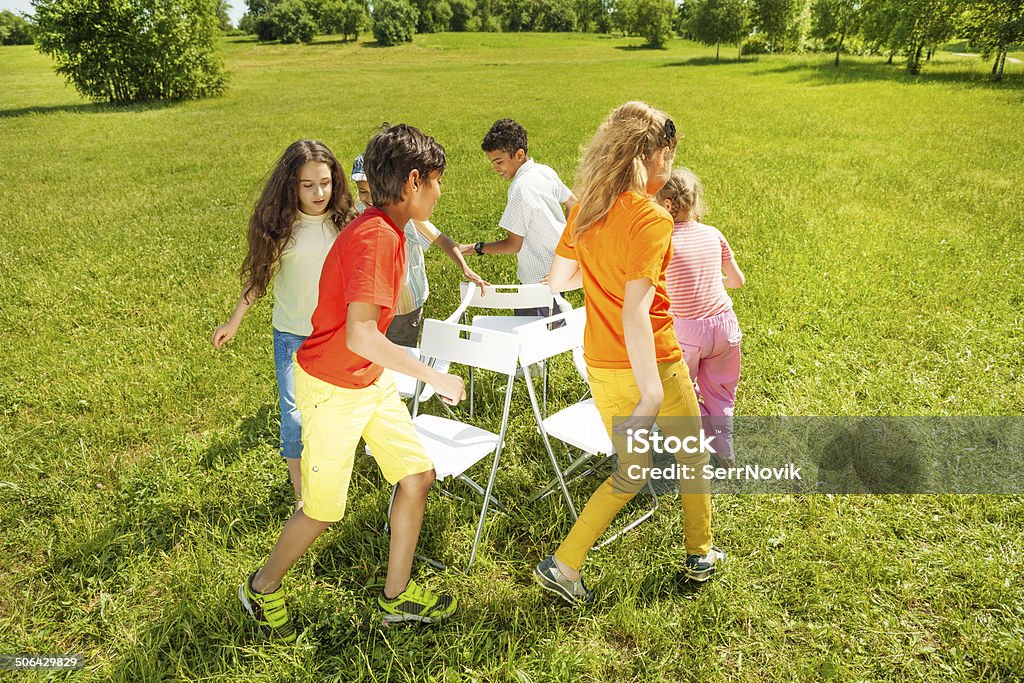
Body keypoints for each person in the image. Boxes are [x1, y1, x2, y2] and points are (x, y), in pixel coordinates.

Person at [238, 125, 466, 641]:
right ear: (413, 181)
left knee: (416, 475)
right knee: (321, 509)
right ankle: (262, 585)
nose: (439, 191)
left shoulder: (384, 228)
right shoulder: (375, 239)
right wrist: (435, 376)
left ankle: (397, 597)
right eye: (436, 181)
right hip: (333, 388)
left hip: (369, 382)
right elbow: (363, 335)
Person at [534, 102, 725, 606]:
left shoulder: (586, 208)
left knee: (630, 472)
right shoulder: (651, 218)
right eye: (668, 154)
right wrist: (652, 392)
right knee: (692, 455)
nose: (669, 165)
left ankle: (565, 564)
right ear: (652, 154)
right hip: (653, 363)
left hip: (601, 365)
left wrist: (599, 271)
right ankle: (700, 552)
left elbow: (559, 280)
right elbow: (637, 312)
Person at [212, 140, 358, 509]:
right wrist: (234, 321)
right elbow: (258, 280)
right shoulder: (282, 229)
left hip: (336, 335)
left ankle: (333, 477)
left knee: (330, 413)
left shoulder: (346, 221)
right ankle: (302, 497)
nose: (319, 192)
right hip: (292, 335)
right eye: (308, 185)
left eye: (325, 182)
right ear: (291, 185)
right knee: (293, 416)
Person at [351, 154, 488, 347]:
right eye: (362, 191)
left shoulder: (406, 212)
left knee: (401, 354)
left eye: (373, 190)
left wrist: (465, 268)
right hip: (374, 304)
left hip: (405, 304)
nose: (368, 198)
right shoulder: (357, 210)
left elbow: (442, 240)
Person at [656, 168, 745, 467]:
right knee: (721, 393)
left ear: (667, 204)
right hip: (725, 325)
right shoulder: (713, 234)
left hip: (688, 333)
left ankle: (700, 439)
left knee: (681, 394)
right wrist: (716, 282)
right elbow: (737, 280)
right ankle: (726, 450)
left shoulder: (664, 241)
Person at [459, 118, 577, 317]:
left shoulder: (520, 190)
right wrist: (567, 242)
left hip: (536, 281)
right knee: (552, 334)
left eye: (499, 161)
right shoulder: (544, 171)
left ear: (519, 155)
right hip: (559, 270)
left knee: (534, 339)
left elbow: (513, 245)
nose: (495, 167)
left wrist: (475, 248)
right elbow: (575, 206)